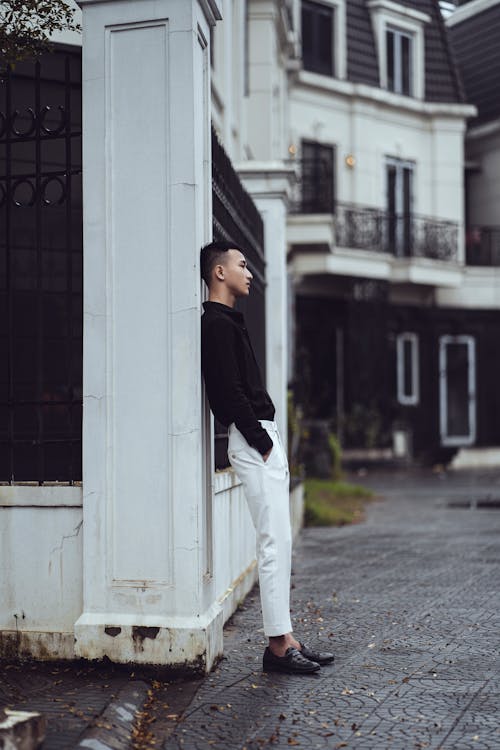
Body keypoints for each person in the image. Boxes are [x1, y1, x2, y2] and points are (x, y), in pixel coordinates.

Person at [200, 240, 334, 675]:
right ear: (219, 273)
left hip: (262, 438)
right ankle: (278, 647)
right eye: (241, 265)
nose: (249, 272)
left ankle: (286, 637)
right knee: (273, 542)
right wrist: (262, 440)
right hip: (253, 439)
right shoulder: (215, 325)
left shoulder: (228, 321)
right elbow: (226, 394)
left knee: (282, 540)